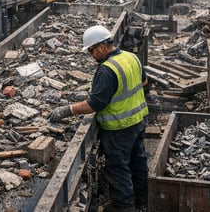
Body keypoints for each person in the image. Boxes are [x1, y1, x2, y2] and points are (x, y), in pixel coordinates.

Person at [49, 25, 149, 212]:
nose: (91, 56)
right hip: (139, 120)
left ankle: (124, 207)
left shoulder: (107, 69)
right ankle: (142, 203)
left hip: (119, 128)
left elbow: (94, 104)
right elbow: (144, 82)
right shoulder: (131, 57)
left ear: (102, 47)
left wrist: (66, 110)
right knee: (138, 164)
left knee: (119, 170)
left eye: (91, 51)